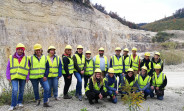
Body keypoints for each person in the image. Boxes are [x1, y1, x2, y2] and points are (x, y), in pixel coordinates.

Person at [6, 43, 29, 111]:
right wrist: (8, 76)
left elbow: (28, 68)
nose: (20, 51)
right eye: (18, 49)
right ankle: (13, 105)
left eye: (21, 50)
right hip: (14, 76)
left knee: (21, 90)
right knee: (15, 90)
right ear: (16, 50)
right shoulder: (11, 57)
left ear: (23, 50)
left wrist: (27, 77)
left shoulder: (26, 58)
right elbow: (8, 67)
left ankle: (19, 102)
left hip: (22, 77)